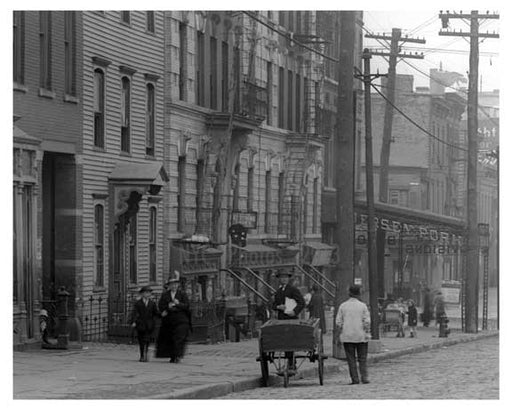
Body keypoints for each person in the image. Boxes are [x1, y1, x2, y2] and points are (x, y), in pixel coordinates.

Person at [335, 285, 371, 385]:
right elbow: (367, 322)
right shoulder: (363, 306)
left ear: (349, 293)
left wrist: (339, 334)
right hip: (361, 335)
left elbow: (338, 322)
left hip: (347, 335)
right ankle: (364, 377)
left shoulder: (343, 306)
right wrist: (366, 332)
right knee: (362, 358)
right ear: (359, 293)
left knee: (351, 359)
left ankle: (355, 379)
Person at [272, 270, 306, 370]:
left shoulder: (293, 290)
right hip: (281, 319)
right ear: (279, 279)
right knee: (284, 341)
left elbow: (301, 303)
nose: (284, 279)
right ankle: (290, 362)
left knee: (290, 340)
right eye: (282, 278)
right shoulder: (278, 292)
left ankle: (291, 362)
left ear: (288, 279)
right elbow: (272, 305)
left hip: (291, 319)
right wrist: (278, 307)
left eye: (285, 277)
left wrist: (295, 311)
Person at [156, 271, 192, 363]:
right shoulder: (165, 295)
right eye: (172, 284)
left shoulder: (182, 294)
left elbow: (187, 306)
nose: (174, 286)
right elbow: (161, 306)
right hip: (169, 320)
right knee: (170, 338)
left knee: (179, 338)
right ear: (169, 286)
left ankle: (178, 355)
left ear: (178, 285)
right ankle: (172, 355)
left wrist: (178, 304)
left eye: (175, 284)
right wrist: (168, 306)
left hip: (180, 320)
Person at [130, 285, 160, 362]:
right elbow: (135, 313)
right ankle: (142, 355)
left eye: (149, 293)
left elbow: (156, 312)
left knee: (147, 340)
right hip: (141, 324)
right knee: (141, 340)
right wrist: (133, 321)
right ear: (142, 294)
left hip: (149, 324)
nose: (148, 294)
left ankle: (146, 354)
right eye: (146, 293)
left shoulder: (152, 303)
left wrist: (162, 315)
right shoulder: (138, 303)